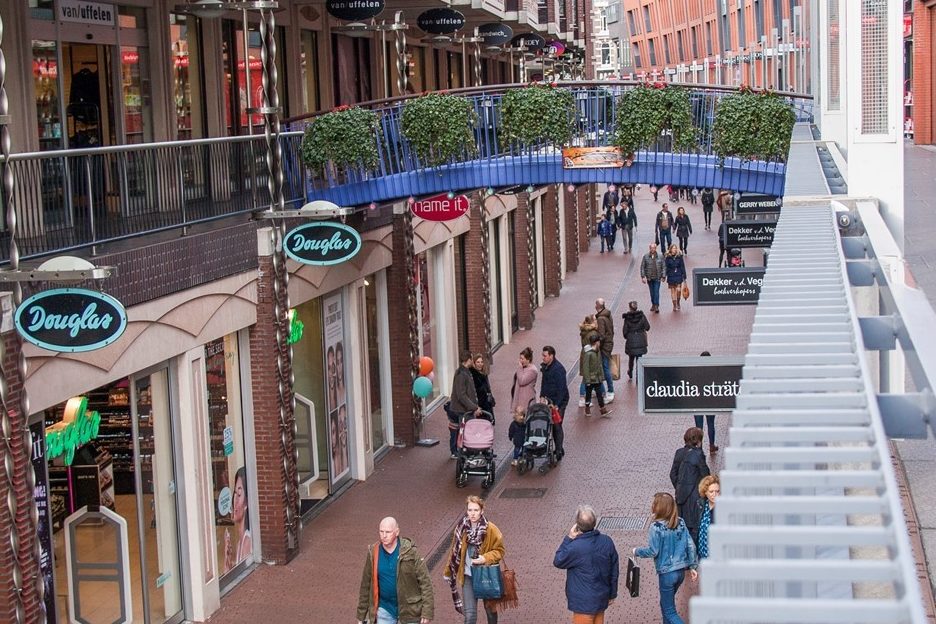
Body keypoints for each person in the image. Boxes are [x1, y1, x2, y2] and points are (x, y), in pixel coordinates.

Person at [632, 493, 699, 624]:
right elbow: (690, 545)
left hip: (667, 573)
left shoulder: (655, 527)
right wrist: (692, 566)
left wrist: (636, 551)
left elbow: (653, 551)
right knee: (665, 604)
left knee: (670, 611)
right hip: (680, 572)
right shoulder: (680, 522)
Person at [357, 517, 434, 624]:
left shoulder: (410, 551)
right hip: (384, 609)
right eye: (381, 531)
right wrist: (361, 615)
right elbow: (366, 584)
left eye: (388, 532)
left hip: (409, 610)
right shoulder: (373, 553)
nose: (384, 535)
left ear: (397, 532)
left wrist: (427, 611)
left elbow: (425, 582)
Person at [553, 504, 619, 624]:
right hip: (601, 598)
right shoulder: (607, 541)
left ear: (577, 525)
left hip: (582, 602)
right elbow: (614, 570)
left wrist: (569, 538)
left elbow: (558, 560)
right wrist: (612, 593)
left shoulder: (575, 547)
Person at [445, 496, 505, 624]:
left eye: (476, 510)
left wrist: (484, 558)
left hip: (485, 574)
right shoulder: (461, 528)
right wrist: (448, 571)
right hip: (468, 576)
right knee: (470, 616)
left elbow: (500, 551)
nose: (472, 513)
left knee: (490, 612)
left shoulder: (491, 529)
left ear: (482, 511)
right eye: (470, 510)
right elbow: (454, 551)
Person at [669, 427, 710, 546]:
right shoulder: (698, 455)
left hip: (681, 497)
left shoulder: (679, 452)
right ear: (699, 441)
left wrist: (680, 486)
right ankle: (692, 557)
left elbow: (673, 474)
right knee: (695, 528)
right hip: (695, 498)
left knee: (683, 527)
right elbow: (705, 475)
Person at [450, 350, 482, 459]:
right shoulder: (462, 375)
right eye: (471, 359)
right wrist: (474, 407)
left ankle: (466, 453)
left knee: (464, 432)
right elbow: (461, 395)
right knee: (464, 432)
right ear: (468, 360)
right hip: (463, 410)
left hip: (466, 409)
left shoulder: (464, 372)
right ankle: (463, 455)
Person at [540, 345, 570, 459]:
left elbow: (562, 388)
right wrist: (542, 396)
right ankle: (559, 446)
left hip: (559, 401)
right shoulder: (546, 367)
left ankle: (558, 450)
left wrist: (557, 405)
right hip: (549, 400)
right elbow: (544, 383)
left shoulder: (558, 369)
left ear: (551, 356)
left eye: (545, 355)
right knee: (551, 424)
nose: (543, 358)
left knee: (557, 424)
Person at [224, 467, 251, 573]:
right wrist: (228, 560)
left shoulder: (247, 543)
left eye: (239, 495)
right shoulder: (240, 543)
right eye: (234, 493)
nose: (234, 500)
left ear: (247, 503)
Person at [581, 334, 612, 417]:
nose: (599, 343)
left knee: (599, 394)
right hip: (590, 379)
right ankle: (587, 408)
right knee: (588, 394)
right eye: (598, 341)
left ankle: (603, 410)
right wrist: (587, 380)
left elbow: (600, 365)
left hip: (597, 378)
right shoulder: (589, 354)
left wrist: (601, 376)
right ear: (596, 342)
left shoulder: (597, 352)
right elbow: (586, 367)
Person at [693, 351, 718, 453]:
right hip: (710, 402)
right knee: (711, 424)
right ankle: (712, 445)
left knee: (699, 426)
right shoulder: (713, 371)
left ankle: (699, 447)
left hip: (698, 402)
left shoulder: (695, 371)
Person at [622, 301, 650, 382]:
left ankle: (630, 371)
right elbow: (647, 327)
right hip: (641, 341)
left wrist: (629, 336)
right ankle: (639, 376)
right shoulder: (642, 316)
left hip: (631, 341)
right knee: (639, 358)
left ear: (630, 308)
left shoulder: (627, 318)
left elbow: (624, 332)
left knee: (631, 358)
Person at [594, 298, 615, 402]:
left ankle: (610, 390)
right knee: (604, 367)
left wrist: (596, 345)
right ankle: (602, 390)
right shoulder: (608, 314)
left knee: (605, 368)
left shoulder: (600, 319)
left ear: (597, 305)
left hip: (604, 347)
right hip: (609, 344)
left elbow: (601, 335)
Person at [696, 475, 720, 559]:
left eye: (717, 491)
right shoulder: (701, 505)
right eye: (711, 491)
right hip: (702, 553)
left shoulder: (721, 509)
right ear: (705, 492)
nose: (715, 494)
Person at [578, 315, 600, 406]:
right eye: (595, 320)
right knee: (587, 377)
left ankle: (585, 396)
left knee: (586, 375)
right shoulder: (593, 333)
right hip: (590, 356)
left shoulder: (584, 331)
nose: (596, 321)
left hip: (584, 353)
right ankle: (583, 397)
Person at [509, 347, 538, 415]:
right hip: (519, 398)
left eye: (522, 359)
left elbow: (522, 381)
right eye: (520, 358)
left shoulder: (533, 370)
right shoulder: (523, 367)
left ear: (528, 359)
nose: (520, 361)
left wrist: (520, 368)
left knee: (524, 419)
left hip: (526, 400)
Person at [640, 242, 666, 314]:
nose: (653, 249)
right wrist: (643, 276)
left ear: (656, 248)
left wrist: (663, 276)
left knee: (656, 291)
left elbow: (664, 266)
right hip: (649, 278)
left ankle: (656, 305)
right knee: (652, 292)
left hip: (657, 277)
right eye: (651, 248)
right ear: (649, 248)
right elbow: (642, 267)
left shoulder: (660, 256)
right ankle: (653, 304)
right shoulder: (645, 257)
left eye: (654, 248)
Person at [664, 244, 687, 312]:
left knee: (678, 290)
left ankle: (678, 302)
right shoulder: (668, 258)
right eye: (673, 248)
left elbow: (682, 266)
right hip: (671, 275)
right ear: (670, 249)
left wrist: (684, 276)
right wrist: (664, 275)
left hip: (678, 274)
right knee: (673, 290)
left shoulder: (679, 257)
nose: (674, 249)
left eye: (675, 248)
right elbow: (666, 267)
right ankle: (674, 305)